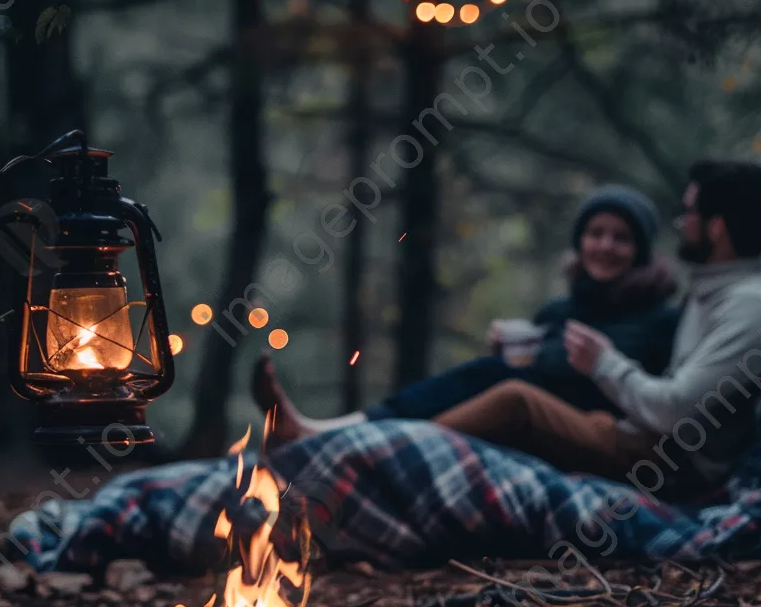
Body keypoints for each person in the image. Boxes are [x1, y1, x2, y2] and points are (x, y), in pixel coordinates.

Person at [431, 160, 761, 492]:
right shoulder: (718, 288)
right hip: (638, 434)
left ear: (716, 227)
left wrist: (603, 361)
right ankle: (394, 440)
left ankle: (391, 451)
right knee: (494, 380)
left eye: (689, 212)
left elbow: (674, 411)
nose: (680, 223)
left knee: (518, 402)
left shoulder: (753, 307)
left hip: (670, 462)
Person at [252, 185, 680, 444]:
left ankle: (348, 436)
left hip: (584, 435)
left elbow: (646, 399)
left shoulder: (658, 319)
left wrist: (599, 362)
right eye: (595, 234)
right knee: (490, 371)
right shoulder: (560, 311)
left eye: (621, 238)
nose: (604, 246)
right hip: (515, 420)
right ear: (580, 240)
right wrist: (513, 352)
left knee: (502, 381)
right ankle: (332, 430)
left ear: (641, 251)